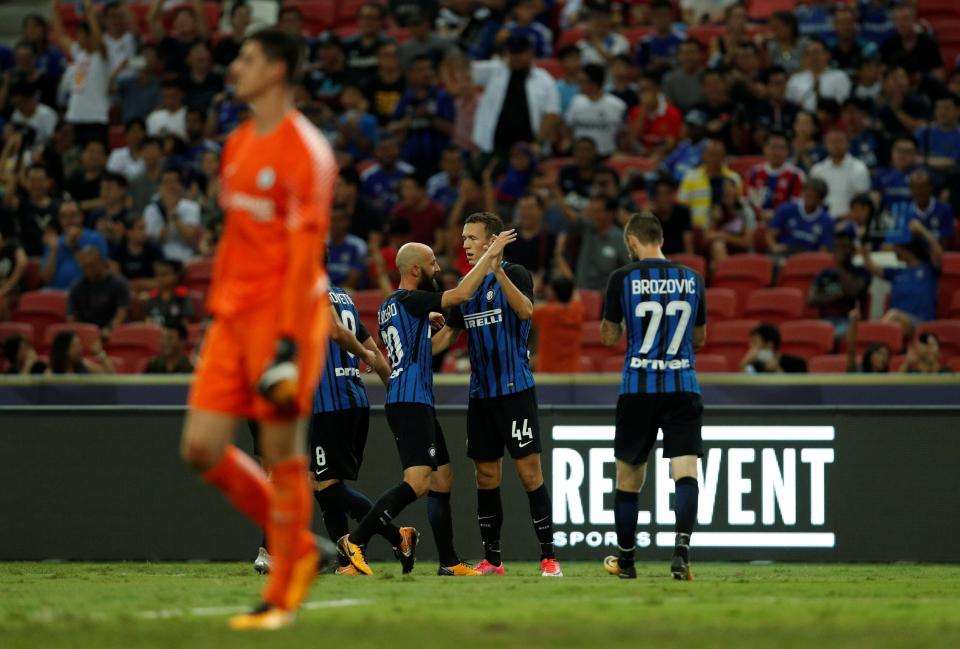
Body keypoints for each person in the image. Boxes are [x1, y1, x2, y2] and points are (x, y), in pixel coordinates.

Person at [179, 28, 338, 630]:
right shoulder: (239, 143)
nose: (235, 68)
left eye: (246, 58)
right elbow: (234, 240)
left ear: (276, 70)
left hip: (283, 320)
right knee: (201, 447)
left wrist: (291, 345)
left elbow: (305, 260)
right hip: (233, 319)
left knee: (280, 453)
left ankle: (280, 598)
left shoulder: (308, 152)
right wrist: (217, 314)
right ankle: (298, 544)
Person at [337, 229, 517, 578]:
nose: (439, 267)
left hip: (412, 399)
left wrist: (427, 324)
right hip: (411, 400)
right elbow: (463, 293)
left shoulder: (394, 304)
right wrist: (489, 256)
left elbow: (421, 345)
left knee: (443, 479)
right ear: (416, 269)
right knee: (418, 482)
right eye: (433, 262)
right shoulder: (412, 300)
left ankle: (448, 561)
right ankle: (355, 541)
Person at [430, 212, 562, 577]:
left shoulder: (516, 274)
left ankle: (549, 557)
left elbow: (526, 310)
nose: (465, 245)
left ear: (491, 241)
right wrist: (416, 351)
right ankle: (494, 559)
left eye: (472, 238)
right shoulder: (465, 288)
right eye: (464, 238)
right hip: (481, 396)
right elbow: (447, 336)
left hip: (515, 392)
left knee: (529, 474)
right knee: (485, 476)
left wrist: (497, 269)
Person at [599, 213, 705, 581]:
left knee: (629, 478)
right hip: (683, 385)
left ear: (631, 241)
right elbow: (701, 339)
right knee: (685, 471)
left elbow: (609, 338)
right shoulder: (693, 279)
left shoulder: (621, 279)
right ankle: (681, 556)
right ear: (660, 238)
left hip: (638, 388)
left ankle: (626, 562)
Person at [308, 285, 420, 575]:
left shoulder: (309, 292)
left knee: (324, 488)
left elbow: (346, 339)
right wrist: (392, 390)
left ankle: (397, 537)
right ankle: (347, 563)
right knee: (324, 483)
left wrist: (363, 356)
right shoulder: (343, 297)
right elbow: (374, 351)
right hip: (354, 400)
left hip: (329, 403)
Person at [471, 34, 560, 158]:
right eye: (512, 52)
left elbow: (551, 113)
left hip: (528, 147)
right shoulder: (495, 69)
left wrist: (538, 143)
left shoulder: (544, 80)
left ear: (530, 53)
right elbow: (463, 69)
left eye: (520, 52)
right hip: (493, 144)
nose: (515, 57)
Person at [862, 220, 942, 338]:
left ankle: (875, 339)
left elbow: (938, 253)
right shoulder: (897, 272)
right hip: (896, 323)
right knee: (882, 321)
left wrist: (922, 230)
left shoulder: (929, 268)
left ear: (908, 249)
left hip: (921, 323)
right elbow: (870, 266)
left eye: (897, 247)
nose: (894, 249)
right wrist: (863, 242)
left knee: (893, 316)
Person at [51, 0, 110, 146]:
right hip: (74, 117)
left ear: (90, 36)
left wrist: (89, 10)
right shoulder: (79, 53)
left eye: (81, 34)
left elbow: (98, 37)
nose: (77, 38)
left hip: (95, 119)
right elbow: (60, 36)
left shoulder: (102, 56)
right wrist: (55, 9)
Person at [809, 228, 872, 339]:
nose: (840, 251)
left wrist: (840, 268)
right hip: (824, 320)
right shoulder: (824, 273)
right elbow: (812, 299)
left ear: (852, 249)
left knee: (832, 335)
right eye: (836, 247)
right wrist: (833, 296)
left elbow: (853, 290)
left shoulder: (861, 272)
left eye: (844, 247)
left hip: (847, 321)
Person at [41, 200, 109, 290]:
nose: (69, 220)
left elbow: (99, 274)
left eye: (73, 215)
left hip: (88, 292)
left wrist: (75, 246)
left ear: (81, 216)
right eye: (64, 216)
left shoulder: (96, 239)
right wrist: (53, 251)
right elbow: (46, 279)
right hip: (57, 292)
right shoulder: (54, 242)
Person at [678, 138, 742, 228]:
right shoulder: (690, 177)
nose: (715, 158)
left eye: (719, 154)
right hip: (696, 229)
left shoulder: (734, 178)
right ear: (703, 156)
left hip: (728, 229)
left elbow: (739, 207)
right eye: (711, 154)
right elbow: (682, 207)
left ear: (724, 156)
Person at [566, 64, 627, 157]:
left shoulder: (617, 105)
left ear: (593, 84)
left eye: (582, 82)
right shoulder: (576, 102)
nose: (578, 85)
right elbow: (569, 128)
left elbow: (623, 134)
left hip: (607, 155)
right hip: (581, 156)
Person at [66, 246, 130, 334]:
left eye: (91, 266)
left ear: (102, 263)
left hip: (112, 332)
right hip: (85, 334)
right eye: (84, 267)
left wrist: (108, 330)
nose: (88, 270)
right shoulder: (77, 287)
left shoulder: (119, 284)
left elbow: (121, 316)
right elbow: (71, 317)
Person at [143, 168, 202, 263]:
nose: (170, 186)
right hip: (158, 260)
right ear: (159, 187)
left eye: (174, 181)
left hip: (185, 257)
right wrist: (166, 213)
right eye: (166, 182)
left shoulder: (192, 207)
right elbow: (154, 241)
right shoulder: (151, 210)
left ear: (181, 186)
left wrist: (174, 215)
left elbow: (190, 238)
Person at [810, 128, 870, 220]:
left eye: (839, 141)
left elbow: (861, 206)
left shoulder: (859, 168)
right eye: (832, 142)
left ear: (847, 143)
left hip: (848, 221)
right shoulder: (817, 169)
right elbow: (811, 200)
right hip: (820, 221)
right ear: (826, 144)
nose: (835, 145)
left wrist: (837, 219)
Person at [745, 131, 806, 221]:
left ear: (788, 151)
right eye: (772, 147)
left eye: (781, 148)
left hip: (785, 223)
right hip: (755, 221)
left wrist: (776, 214)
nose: (776, 152)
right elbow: (745, 200)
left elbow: (798, 205)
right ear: (764, 149)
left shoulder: (796, 175)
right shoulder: (754, 172)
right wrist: (759, 214)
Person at [767, 177, 833, 256]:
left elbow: (824, 250)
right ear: (802, 193)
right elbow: (770, 235)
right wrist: (774, 246)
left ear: (821, 200)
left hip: (809, 258)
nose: (809, 200)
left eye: (813, 197)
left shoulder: (827, 220)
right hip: (784, 253)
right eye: (807, 195)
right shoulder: (786, 209)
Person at [531, 276, 585, 372]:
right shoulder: (578, 310)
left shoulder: (544, 312)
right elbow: (575, 294)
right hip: (572, 373)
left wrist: (533, 289)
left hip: (548, 373)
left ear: (553, 293)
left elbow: (524, 310)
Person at [786, 38, 851, 113]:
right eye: (809, 53)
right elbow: (788, 103)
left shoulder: (840, 76)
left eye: (816, 52)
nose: (813, 57)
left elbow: (843, 102)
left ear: (827, 54)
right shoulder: (796, 79)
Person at [326, 205, 368, 291]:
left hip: (350, 295)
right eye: (332, 220)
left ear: (347, 222)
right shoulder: (321, 245)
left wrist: (335, 295)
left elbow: (353, 280)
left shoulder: (358, 245)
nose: (335, 224)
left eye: (339, 220)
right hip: (325, 293)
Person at [740, 323, 808, 373]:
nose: (751, 346)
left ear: (769, 344)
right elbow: (745, 389)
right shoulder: (754, 366)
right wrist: (744, 363)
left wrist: (777, 369)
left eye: (755, 342)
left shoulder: (797, 363)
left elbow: (800, 390)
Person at [142, 259, 194, 324]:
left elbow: (184, 323)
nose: (159, 278)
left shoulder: (183, 296)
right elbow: (148, 322)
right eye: (157, 274)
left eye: (164, 274)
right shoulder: (151, 297)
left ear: (176, 276)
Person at [662, 39, 705, 114]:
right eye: (683, 53)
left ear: (700, 54)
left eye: (691, 52)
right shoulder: (669, 79)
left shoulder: (709, 75)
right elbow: (669, 107)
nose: (687, 56)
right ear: (678, 56)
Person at [48, 330, 113, 374]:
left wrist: (100, 353)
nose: (80, 349)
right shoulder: (50, 374)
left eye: (79, 345)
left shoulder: (84, 364)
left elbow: (109, 375)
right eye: (76, 345)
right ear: (65, 349)